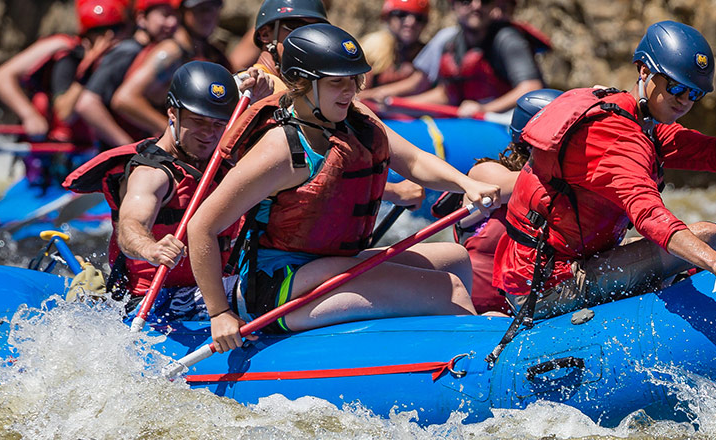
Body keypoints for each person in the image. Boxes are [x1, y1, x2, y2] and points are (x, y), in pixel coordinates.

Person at [186, 24, 500, 353]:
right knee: (444, 286)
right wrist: (219, 312)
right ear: (301, 83)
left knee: (455, 259)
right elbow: (201, 227)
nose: (350, 90)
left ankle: (440, 337)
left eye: (354, 79)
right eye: (337, 81)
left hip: (327, 262)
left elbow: (416, 161)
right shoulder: (279, 151)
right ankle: (478, 351)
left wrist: (467, 183)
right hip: (276, 287)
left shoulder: (354, 120)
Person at [492, 20, 716, 320]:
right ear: (643, 70)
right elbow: (650, 218)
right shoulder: (616, 137)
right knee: (710, 239)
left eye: (695, 93)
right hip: (547, 285)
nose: (685, 100)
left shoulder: (645, 124)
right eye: (675, 87)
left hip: (567, 265)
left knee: (702, 241)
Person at [61, 61, 245, 322]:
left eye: (218, 124)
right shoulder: (152, 175)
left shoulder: (216, 160)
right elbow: (130, 227)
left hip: (209, 287)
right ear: (173, 113)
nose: (208, 134)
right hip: (154, 301)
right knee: (262, 292)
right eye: (198, 121)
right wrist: (151, 249)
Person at [431, 88, 559, 314]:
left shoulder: (567, 188)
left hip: (537, 312)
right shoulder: (485, 173)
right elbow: (507, 188)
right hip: (475, 314)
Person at [0, 0, 128, 145]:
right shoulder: (63, 46)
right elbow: (0, 77)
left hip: (82, 148)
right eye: (99, 31)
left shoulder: (119, 59)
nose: (111, 37)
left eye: (117, 29)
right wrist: (30, 115)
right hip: (48, 148)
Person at [404, 0, 549, 118]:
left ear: (493, 6)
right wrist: (400, 105)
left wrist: (484, 109)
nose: (477, 5)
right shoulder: (452, 44)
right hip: (474, 121)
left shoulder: (508, 39)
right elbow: (447, 95)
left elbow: (531, 88)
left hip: (505, 122)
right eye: (467, 1)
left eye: (485, 1)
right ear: (453, 5)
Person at [112, 0, 228, 137]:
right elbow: (124, 99)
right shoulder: (172, 51)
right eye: (200, 9)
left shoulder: (213, 53)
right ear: (181, 12)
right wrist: (175, 131)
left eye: (214, 7)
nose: (208, 15)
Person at [77, 0, 181, 147]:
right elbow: (87, 103)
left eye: (175, 16)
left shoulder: (149, 50)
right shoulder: (128, 50)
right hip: (117, 157)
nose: (172, 22)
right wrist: (127, 146)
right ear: (141, 18)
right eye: (164, 15)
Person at [241, 0, 330, 98]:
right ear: (265, 34)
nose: (306, 37)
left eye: (315, 30)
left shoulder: (312, 94)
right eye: (294, 26)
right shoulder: (246, 85)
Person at [358, 0, 432, 103]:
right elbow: (355, 96)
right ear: (387, 18)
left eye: (419, 18)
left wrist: (384, 94)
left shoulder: (429, 52)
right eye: (401, 15)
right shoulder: (372, 48)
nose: (411, 22)